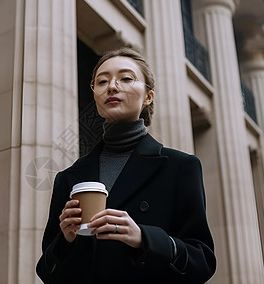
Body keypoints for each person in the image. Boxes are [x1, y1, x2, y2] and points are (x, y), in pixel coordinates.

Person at [36, 47, 216, 283]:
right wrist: (67, 240)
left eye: (126, 78)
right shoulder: (69, 178)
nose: (111, 86)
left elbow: (202, 261)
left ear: (148, 96)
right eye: (101, 81)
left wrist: (143, 238)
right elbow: (47, 272)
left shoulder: (181, 167)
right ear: (95, 95)